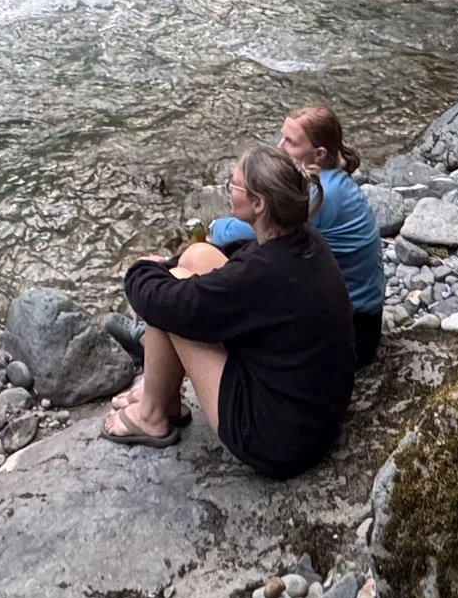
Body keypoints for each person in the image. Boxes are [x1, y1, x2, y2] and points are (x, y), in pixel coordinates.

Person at [102, 144, 355, 477]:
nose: (227, 192)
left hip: (276, 440)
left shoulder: (261, 274)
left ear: (258, 203)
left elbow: (169, 302)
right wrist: (165, 269)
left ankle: (151, 415)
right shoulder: (302, 241)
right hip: (314, 413)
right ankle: (166, 399)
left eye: (232, 186)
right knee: (196, 257)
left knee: (172, 295)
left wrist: (141, 269)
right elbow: (236, 270)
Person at [207, 104, 387, 366]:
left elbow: (243, 229)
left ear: (318, 154)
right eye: (282, 137)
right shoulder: (332, 181)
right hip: (359, 317)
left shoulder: (321, 195)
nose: (280, 147)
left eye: (290, 142)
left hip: (353, 333)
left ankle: (175, 323)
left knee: (230, 249)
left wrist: (213, 228)